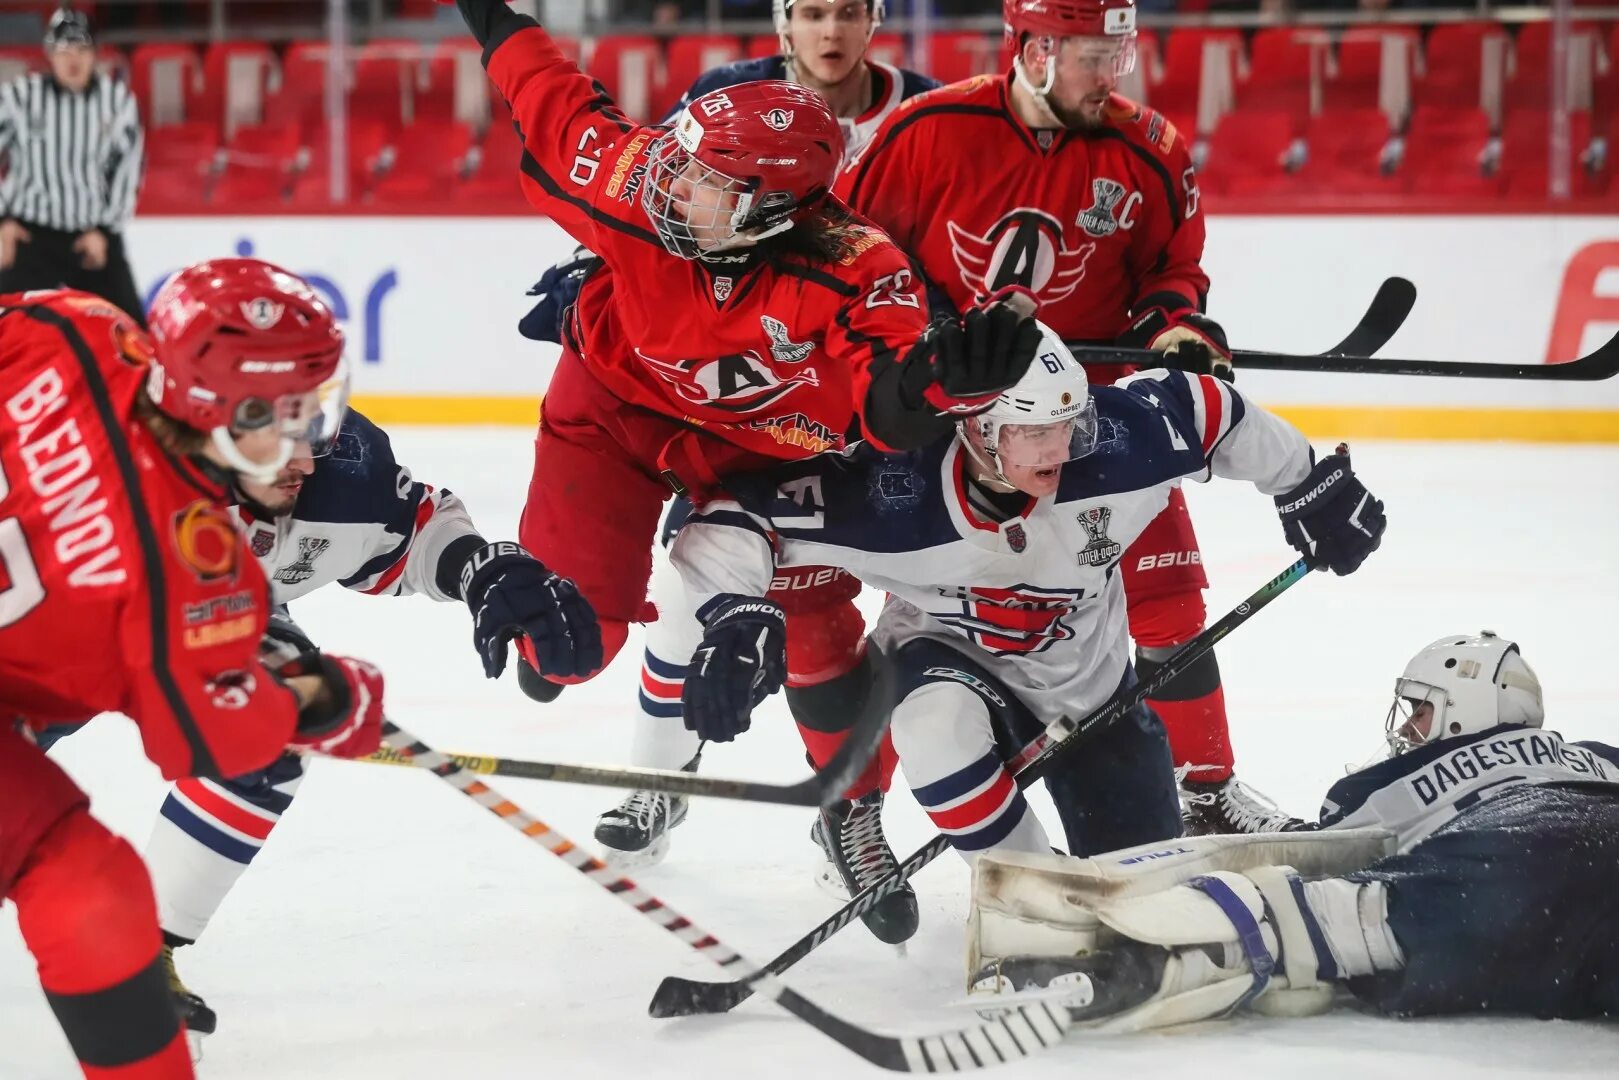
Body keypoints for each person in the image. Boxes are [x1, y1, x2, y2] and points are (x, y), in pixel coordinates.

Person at [440, 1, 1041, 868]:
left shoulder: (856, 267)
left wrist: (938, 383)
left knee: (813, 626)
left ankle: (847, 811)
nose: (671, 186)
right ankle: (653, 759)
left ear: (775, 210)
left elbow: (887, 398)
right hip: (613, 412)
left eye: (704, 183)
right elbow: (551, 94)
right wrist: (497, 18)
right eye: (683, 166)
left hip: (758, 456)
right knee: (560, 648)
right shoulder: (638, 178)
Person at [665, 325, 1387, 942]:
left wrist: (1304, 482)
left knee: (1146, 896)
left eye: (1066, 423)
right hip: (947, 658)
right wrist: (733, 615)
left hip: (1091, 691)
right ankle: (1036, 909)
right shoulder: (894, 493)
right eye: (1033, 431)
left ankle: (1092, 886)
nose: (1059, 447)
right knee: (930, 724)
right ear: (976, 428)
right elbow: (730, 519)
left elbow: (1208, 406)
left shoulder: (1116, 439)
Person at [837, 0, 1300, 835]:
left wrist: (1177, 333)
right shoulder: (922, 133)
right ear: (1036, 48)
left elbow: (1174, 271)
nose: (1112, 75)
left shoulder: (1146, 150)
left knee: (1167, 603)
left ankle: (1206, 792)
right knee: (928, 617)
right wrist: (927, 344)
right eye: (1095, 56)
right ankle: (854, 808)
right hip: (956, 432)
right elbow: (850, 255)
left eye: (1119, 53)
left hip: (1097, 429)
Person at [0, 260, 387, 1080]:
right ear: (226, 411)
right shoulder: (195, 568)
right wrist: (326, 699)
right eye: (291, 410)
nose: (310, 431)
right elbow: (210, 740)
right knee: (87, 888)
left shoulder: (75, 329)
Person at [139, 407, 600, 1038]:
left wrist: (482, 569)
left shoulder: (337, 467)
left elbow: (411, 529)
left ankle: (140, 952)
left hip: (211, 607)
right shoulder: (107, 464)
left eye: (311, 434)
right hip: (50, 626)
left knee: (273, 734)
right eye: (282, 438)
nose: (305, 459)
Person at [966, 631, 1619, 1027]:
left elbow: (1328, 847)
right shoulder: (1588, 751)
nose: (1410, 728)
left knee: (1321, 912)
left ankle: (1137, 958)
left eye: (1422, 711)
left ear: (1463, 713)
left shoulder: (1388, 781)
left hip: (1507, 865)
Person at [0, 8, 146, 325]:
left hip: (91, 236)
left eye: (81, 49)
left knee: (132, 331)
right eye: (65, 50)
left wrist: (106, 230)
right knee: (5, 324)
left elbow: (128, 169)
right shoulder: (21, 98)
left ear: (94, 53)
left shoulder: (117, 103)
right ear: (50, 54)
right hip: (30, 235)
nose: (73, 59)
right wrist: (3, 220)